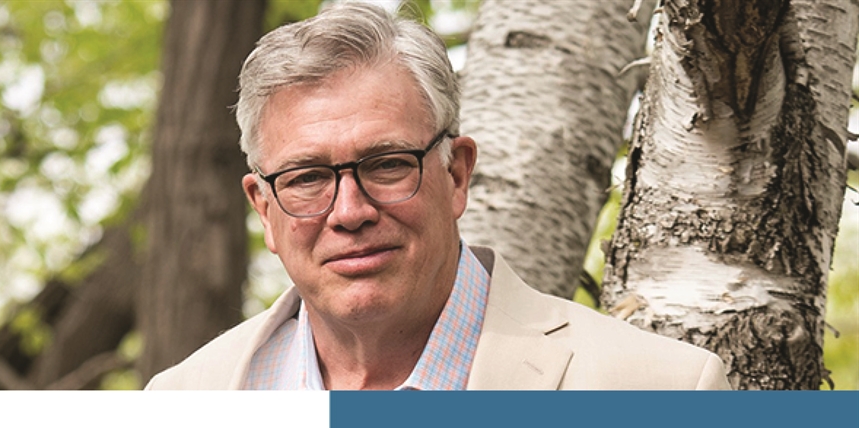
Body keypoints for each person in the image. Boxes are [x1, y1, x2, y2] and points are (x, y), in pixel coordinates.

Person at [146, 2, 730, 392]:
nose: (349, 212)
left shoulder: (664, 394)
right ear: (263, 209)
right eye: (307, 178)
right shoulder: (177, 408)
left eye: (386, 165)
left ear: (456, 174)